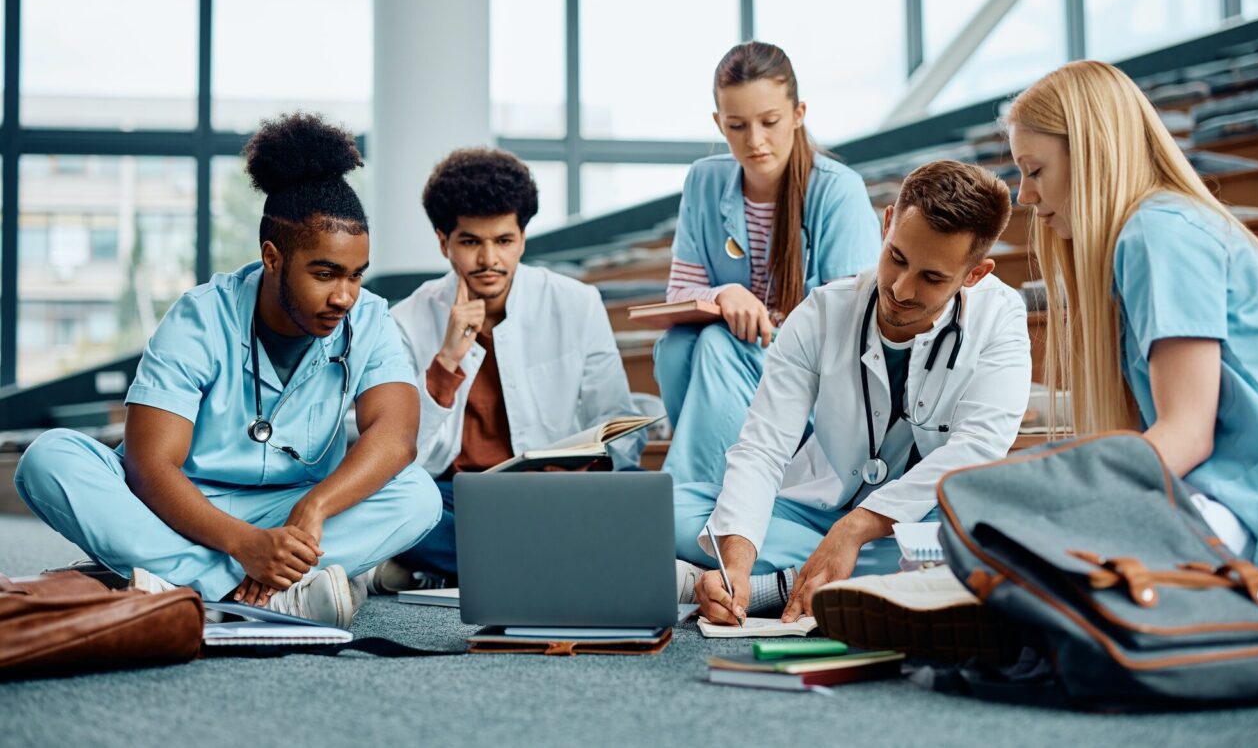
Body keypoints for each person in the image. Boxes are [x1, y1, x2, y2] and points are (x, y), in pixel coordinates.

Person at [14, 113, 439, 628]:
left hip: (291, 510)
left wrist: (315, 507)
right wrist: (243, 546)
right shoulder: (200, 316)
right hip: (184, 506)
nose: (344, 296)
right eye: (324, 274)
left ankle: (167, 581)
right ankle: (249, 591)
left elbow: (396, 437)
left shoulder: (369, 317)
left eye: (354, 275)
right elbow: (150, 466)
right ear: (273, 257)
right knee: (49, 458)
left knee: (418, 496)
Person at [678, 161, 1032, 625]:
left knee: (989, 542)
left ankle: (781, 584)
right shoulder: (823, 312)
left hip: (919, 520)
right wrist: (734, 563)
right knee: (674, 507)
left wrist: (857, 528)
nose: (901, 290)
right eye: (897, 258)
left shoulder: (1001, 318)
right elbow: (764, 448)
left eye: (932, 277)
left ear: (974, 274)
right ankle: (814, 577)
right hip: (815, 513)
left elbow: (976, 451)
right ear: (887, 224)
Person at [1007, 59, 1258, 581]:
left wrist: (1063, 503)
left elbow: (1186, 434)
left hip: (1253, 511)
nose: (1024, 195)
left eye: (1035, 170)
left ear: (1092, 153)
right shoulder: (1156, 230)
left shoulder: (1158, 231)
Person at [381, 147, 642, 589]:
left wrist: (586, 469)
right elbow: (404, 455)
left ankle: (473, 567)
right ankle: (550, 564)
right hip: (460, 498)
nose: (489, 261)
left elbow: (618, 424)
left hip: (558, 493)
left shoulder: (576, 303)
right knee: (389, 501)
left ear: (522, 238)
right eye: (470, 242)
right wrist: (446, 363)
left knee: (636, 493)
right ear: (443, 241)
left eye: (503, 241)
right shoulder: (407, 319)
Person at [655, 40, 881, 486]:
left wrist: (761, 328)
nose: (754, 141)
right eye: (737, 126)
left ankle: (689, 497)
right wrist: (725, 294)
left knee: (719, 345)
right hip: (730, 366)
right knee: (675, 349)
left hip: (811, 377)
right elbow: (679, 294)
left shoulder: (839, 191)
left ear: (798, 114)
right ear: (719, 123)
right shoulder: (703, 180)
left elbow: (850, 328)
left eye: (770, 121)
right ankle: (728, 489)